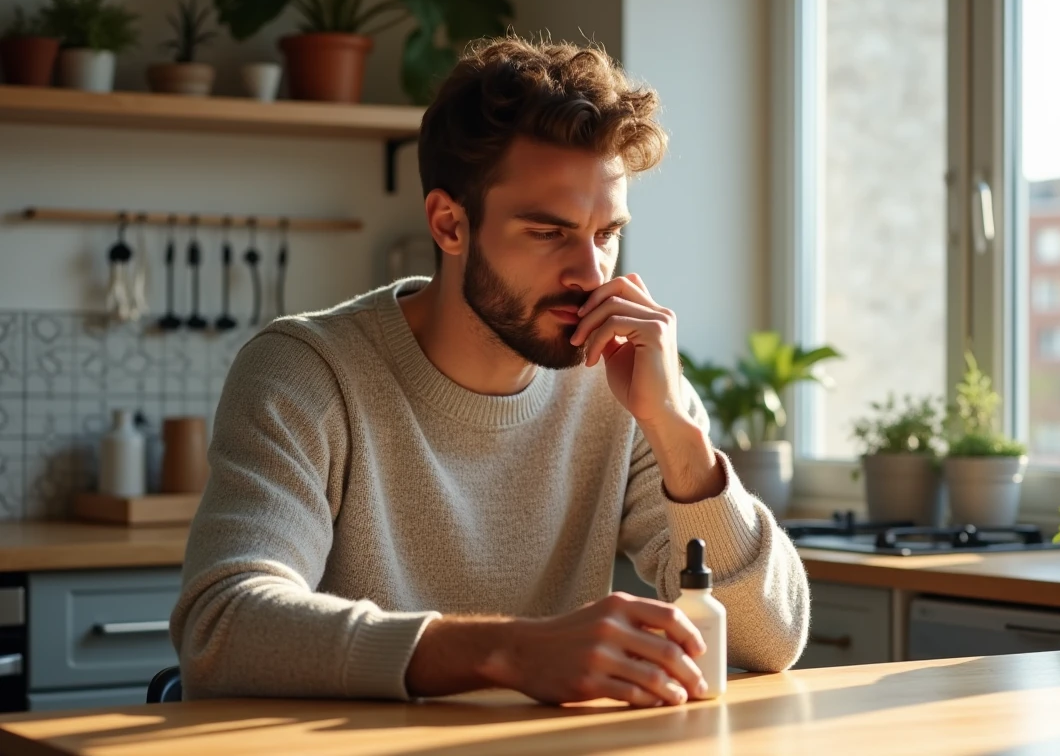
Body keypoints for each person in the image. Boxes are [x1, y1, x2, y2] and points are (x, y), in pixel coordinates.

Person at [170, 36, 810, 709]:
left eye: (605, 234)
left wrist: (674, 430)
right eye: (547, 232)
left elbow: (772, 640)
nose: (591, 275)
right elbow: (223, 626)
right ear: (449, 223)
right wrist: (510, 653)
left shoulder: (627, 385)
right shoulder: (308, 372)